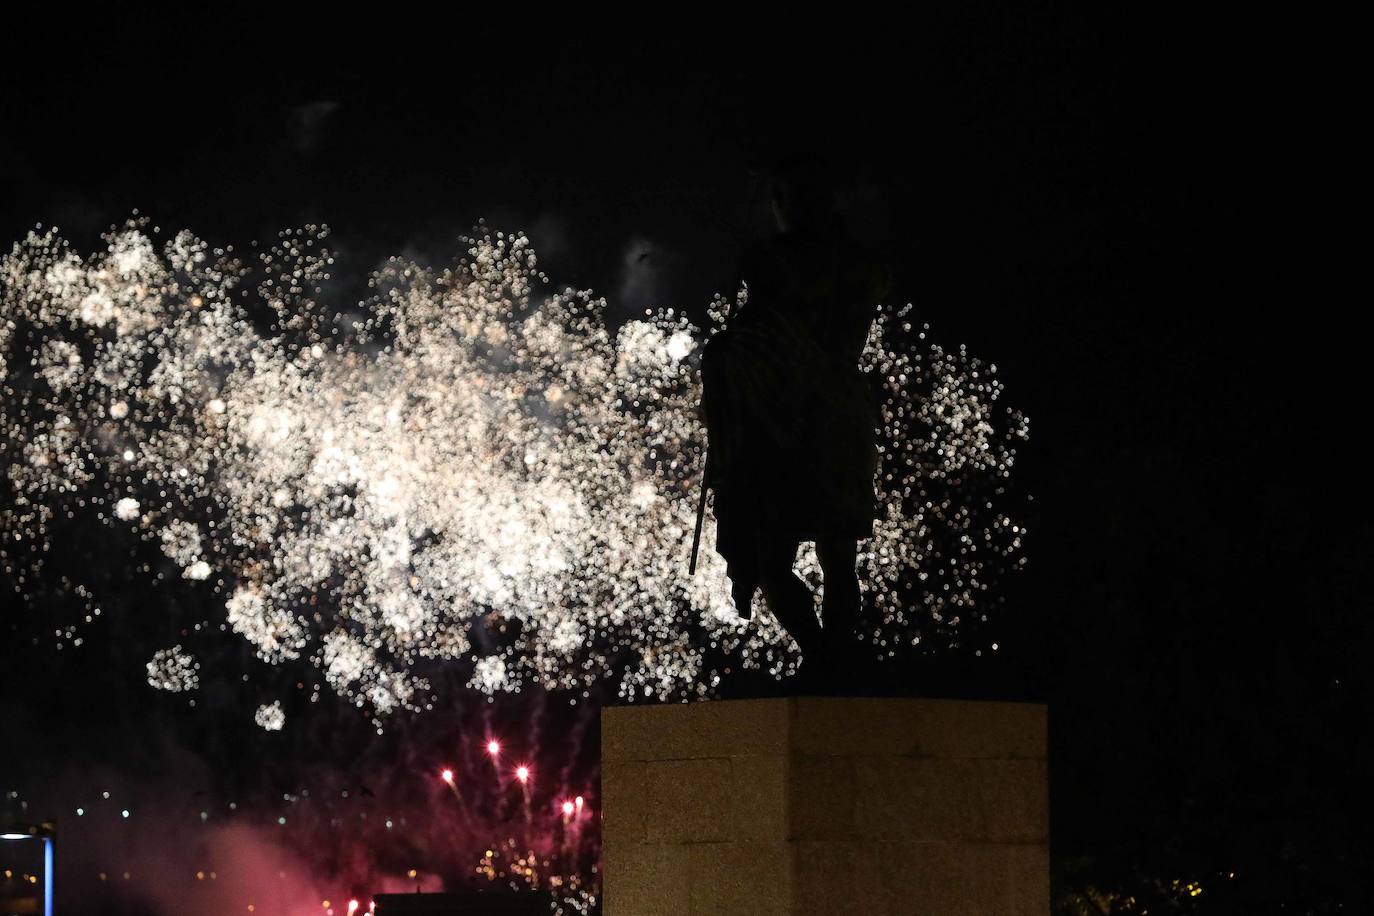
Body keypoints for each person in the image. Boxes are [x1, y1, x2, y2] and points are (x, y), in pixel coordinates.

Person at [699, 157, 889, 682]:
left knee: (769, 554)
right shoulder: (863, 265)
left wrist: (721, 355)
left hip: (785, 416)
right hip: (843, 409)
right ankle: (834, 659)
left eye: (784, 199)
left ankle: (823, 656)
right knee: (838, 554)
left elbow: (756, 333)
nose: (780, 210)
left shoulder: (768, 260)